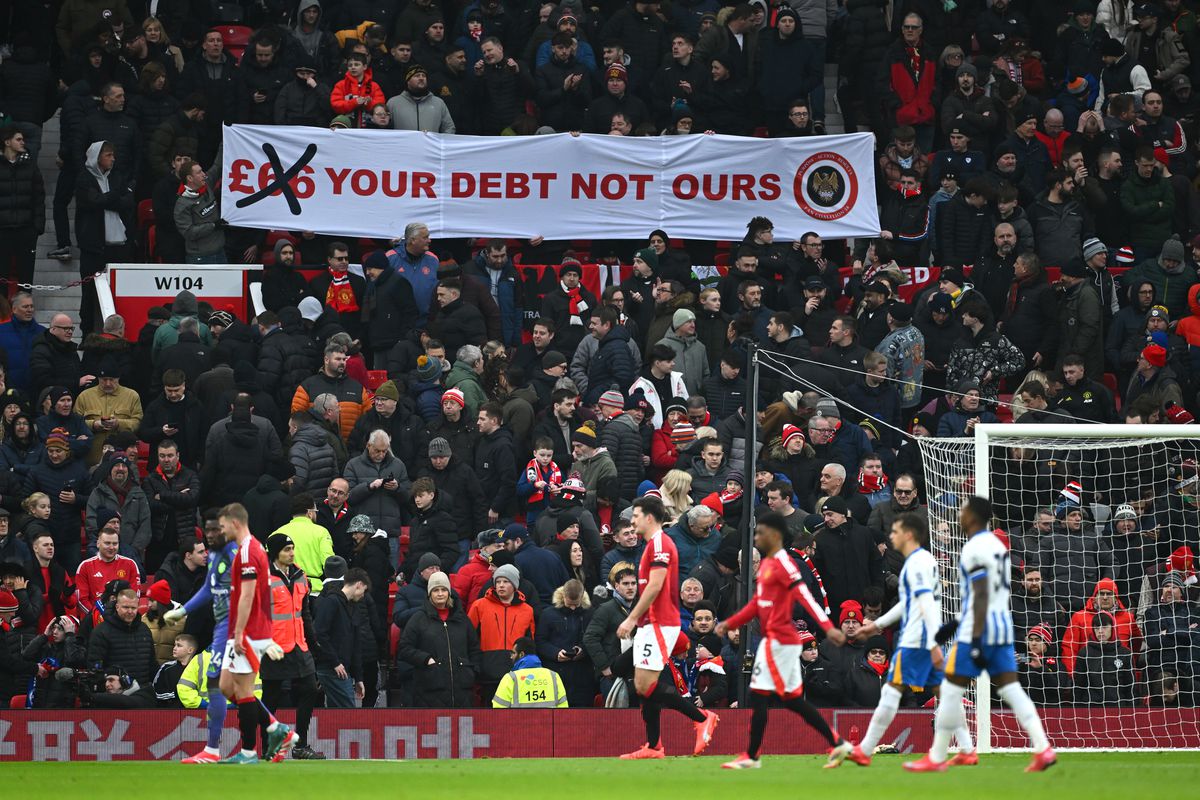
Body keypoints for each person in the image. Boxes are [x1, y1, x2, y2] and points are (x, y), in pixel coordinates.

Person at [904, 496, 1055, 772]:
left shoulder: (974, 548)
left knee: (948, 687)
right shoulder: (996, 547)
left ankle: (941, 756)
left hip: (980, 627)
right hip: (1001, 625)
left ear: (972, 516)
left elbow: (981, 594)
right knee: (1010, 687)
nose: (959, 515)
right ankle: (1042, 748)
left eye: (963, 511)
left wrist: (972, 638)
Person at [717, 511, 854, 769]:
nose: (757, 536)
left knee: (757, 694)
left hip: (780, 641)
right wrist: (730, 623)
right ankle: (838, 743)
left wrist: (828, 627)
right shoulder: (768, 563)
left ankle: (752, 756)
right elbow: (758, 603)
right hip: (778, 641)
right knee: (792, 700)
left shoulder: (786, 564)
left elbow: (806, 598)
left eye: (761, 532)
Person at [837, 513, 975, 766]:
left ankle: (865, 749)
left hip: (917, 640)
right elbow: (909, 603)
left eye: (896, 531)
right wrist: (876, 625)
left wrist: (933, 642)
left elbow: (924, 602)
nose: (891, 536)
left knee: (890, 693)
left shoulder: (917, 564)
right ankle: (967, 748)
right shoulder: (920, 561)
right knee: (944, 694)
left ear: (909, 535)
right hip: (922, 638)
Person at [615, 496, 715, 759]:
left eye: (635, 515)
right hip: (652, 624)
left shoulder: (660, 543)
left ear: (649, 517)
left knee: (644, 685)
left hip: (659, 623)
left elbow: (656, 586)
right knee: (645, 687)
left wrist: (630, 618)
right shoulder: (652, 545)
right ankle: (654, 746)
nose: (632, 520)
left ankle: (702, 717)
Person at [216, 503, 298, 764]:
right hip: (245, 630)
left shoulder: (249, 551)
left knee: (243, 690)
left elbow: (248, 595)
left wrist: (239, 633)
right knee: (227, 686)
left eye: (223, 525)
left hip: (249, 631)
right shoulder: (249, 549)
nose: (221, 531)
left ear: (235, 523)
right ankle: (276, 728)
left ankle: (249, 751)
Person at [260, 533, 323, 759]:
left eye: (292, 549)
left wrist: (313, 641)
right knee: (271, 697)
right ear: (275, 552)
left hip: (298, 644)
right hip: (273, 646)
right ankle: (267, 746)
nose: (292, 553)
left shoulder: (300, 576)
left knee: (310, 690)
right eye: (287, 549)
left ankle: (301, 745)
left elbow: (304, 613)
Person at [398, 570, 481, 707]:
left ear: (449, 592)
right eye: (436, 590)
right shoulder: (418, 618)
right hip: (430, 690)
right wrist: (426, 659)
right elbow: (405, 648)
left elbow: (474, 648)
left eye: (443, 589)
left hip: (462, 691)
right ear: (430, 593)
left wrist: (472, 671)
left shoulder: (462, 619)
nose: (440, 593)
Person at [313, 566, 371, 709]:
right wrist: (335, 662)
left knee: (337, 716)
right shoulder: (332, 602)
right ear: (359, 585)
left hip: (341, 669)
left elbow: (355, 645)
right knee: (347, 715)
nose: (363, 596)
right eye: (364, 591)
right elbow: (319, 633)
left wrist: (358, 678)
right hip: (332, 669)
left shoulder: (351, 606)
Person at [493, 635, 569, 708]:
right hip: (547, 721)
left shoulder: (510, 678)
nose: (511, 657)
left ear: (521, 654)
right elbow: (562, 711)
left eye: (513, 653)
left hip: (519, 721)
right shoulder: (554, 676)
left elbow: (499, 712)